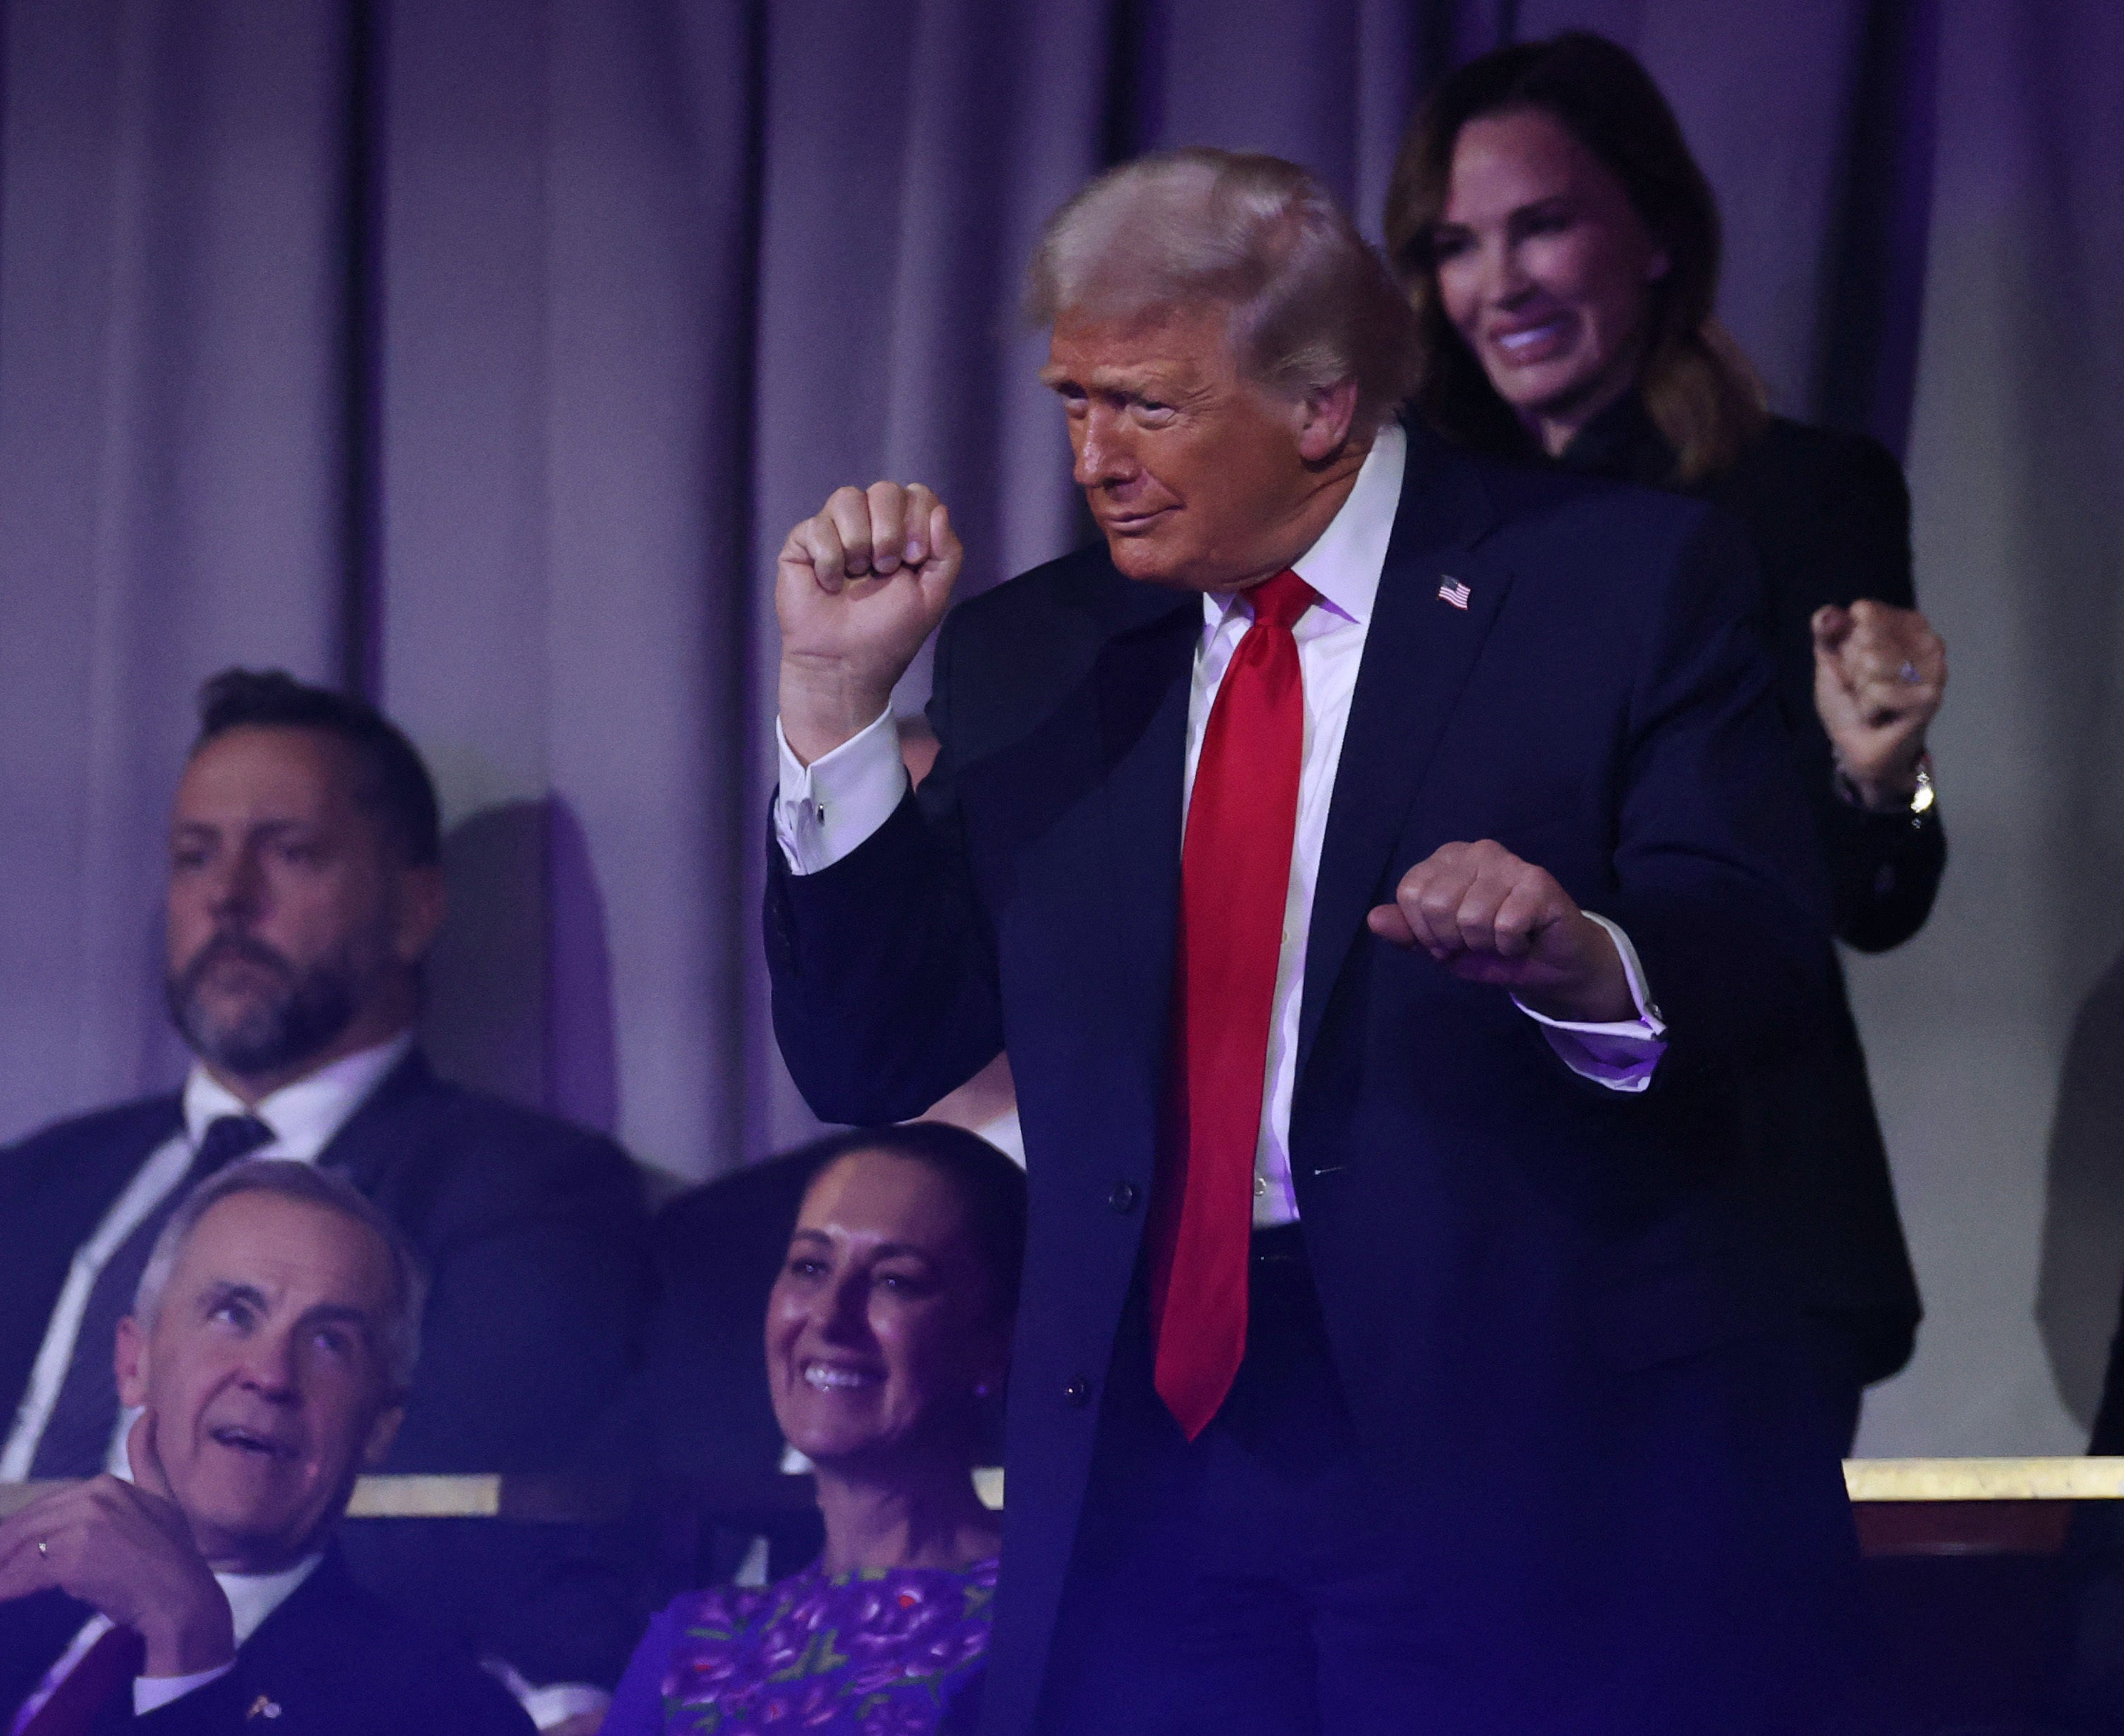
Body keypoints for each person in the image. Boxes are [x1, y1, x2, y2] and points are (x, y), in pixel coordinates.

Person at [763, 148, 1863, 1734]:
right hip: (1155, 1452)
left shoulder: (1617, 586)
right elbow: (872, 1048)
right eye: (1074, 401)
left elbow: (1754, 957)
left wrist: (1576, 960)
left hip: (1515, 1447)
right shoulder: (1033, 653)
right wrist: (834, 707)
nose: (1092, 457)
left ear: (1323, 407)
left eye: (1145, 406)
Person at [0, 670, 649, 1732]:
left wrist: (185, 1625)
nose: (228, 894)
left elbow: (438, 1530)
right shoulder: (27, 1185)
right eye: (195, 856)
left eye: (290, 850)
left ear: (415, 906)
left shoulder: (523, 1186)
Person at [1380, 28, 1944, 1447]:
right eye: (1455, 243)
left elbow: (1867, 902)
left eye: (1543, 225)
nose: (1495, 284)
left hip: (1733, 1220)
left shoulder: (1800, 494)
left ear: (1653, 235)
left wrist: (1879, 781)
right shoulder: (1397, 523)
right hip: (1460, 1225)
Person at [0, 1160, 537, 1735]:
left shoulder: (442, 1711)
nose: (269, 1374)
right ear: (134, 1362)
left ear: (381, 1422)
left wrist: (188, 1653)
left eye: (328, 1342)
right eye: (232, 1314)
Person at [601, 1123, 1022, 1735]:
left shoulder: (1053, 1624)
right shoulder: (693, 1643)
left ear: (994, 1343)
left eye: (894, 1280)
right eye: (809, 1266)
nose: (829, 1315)